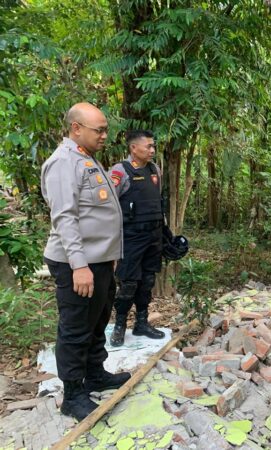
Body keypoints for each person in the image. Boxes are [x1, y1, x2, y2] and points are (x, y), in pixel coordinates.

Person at [41, 102, 131, 421]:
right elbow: (65, 217)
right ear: (76, 128)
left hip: (99, 261)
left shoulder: (86, 158)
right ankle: (73, 394)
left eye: (106, 129)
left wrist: (110, 258)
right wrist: (79, 266)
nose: (105, 135)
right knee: (76, 328)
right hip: (76, 264)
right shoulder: (64, 162)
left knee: (96, 323)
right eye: (100, 129)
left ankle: (95, 374)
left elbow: (98, 213)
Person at [109, 130, 165, 347]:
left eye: (153, 146)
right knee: (129, 284)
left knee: (147, 281)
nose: (152, 150)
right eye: (148, 146)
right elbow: (109, 207)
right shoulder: (120, 171)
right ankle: (120, 325)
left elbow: (157, 202)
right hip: (131, 239)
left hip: (153, 237)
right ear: (133, 148)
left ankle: (142, 322)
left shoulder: (154, 170)